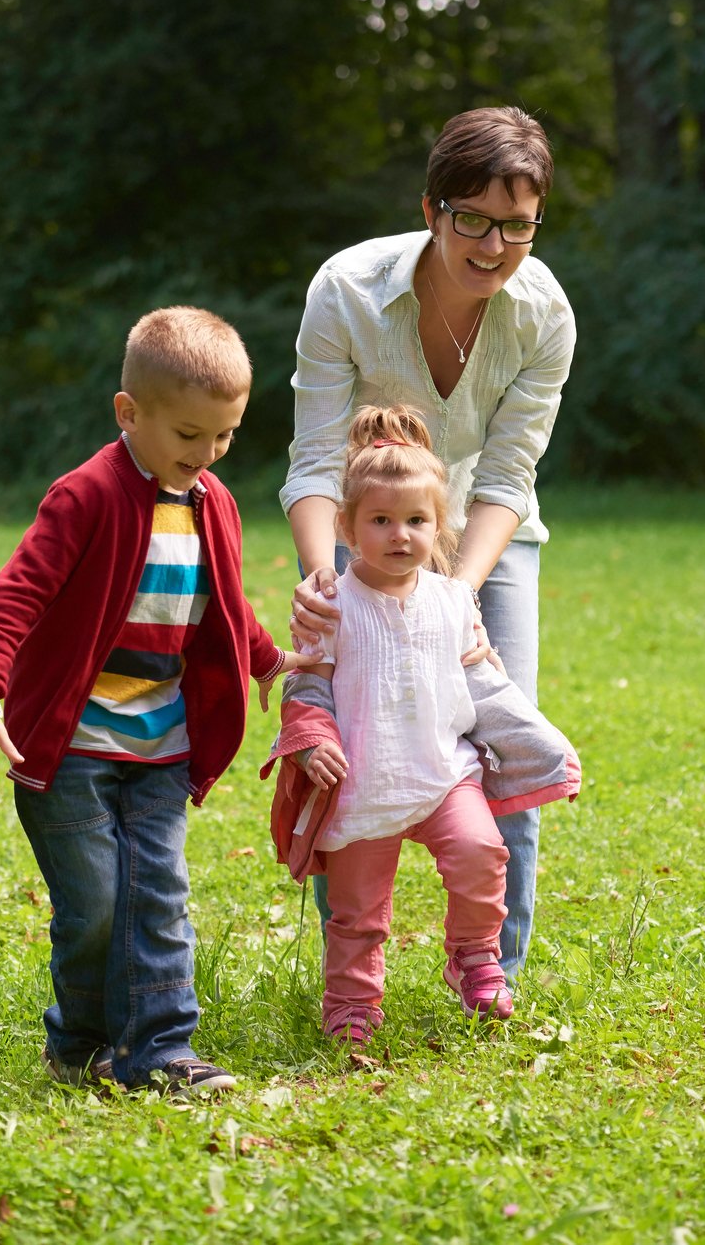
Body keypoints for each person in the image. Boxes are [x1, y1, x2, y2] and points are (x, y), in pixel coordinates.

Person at [0, 306, 311, 1095]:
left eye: (225, 437)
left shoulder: (213, 502)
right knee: (98, 909)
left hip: (161, 746)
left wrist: (269, 660)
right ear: (129, 412)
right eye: (188, 436)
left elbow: (224, 599)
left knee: (158, 898)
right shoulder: (85, 498)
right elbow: (12, 602)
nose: (207, 455)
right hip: (69, 745)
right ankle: (79, 1043)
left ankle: (161, 1052)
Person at [281, 106, 575, 978]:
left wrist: (458, 598)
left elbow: (506, 480)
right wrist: (320, 576)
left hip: (486, 535)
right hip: (367, 533)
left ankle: (495, 971)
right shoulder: (346, 291)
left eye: (517, 225)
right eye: (473, 220)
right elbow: (312, 460)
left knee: (505, 732)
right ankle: (350, 972)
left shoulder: (543, 314)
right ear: (431, 210)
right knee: (352, 744)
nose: (493, 246)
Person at [264, 406, 579, 1044]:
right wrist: (313, 741)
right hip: (363, 784)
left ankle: (473, 957)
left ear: (440, 528)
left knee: (484, 853)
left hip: (443, 772)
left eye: (416, 520)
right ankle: (352, 1005)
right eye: (380, 520)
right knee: (357, 914)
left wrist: (541, 747)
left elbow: (485, 684)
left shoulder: (453, 601)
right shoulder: (331, 607)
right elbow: (306, 683)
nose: (400, 534)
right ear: (348, 525)